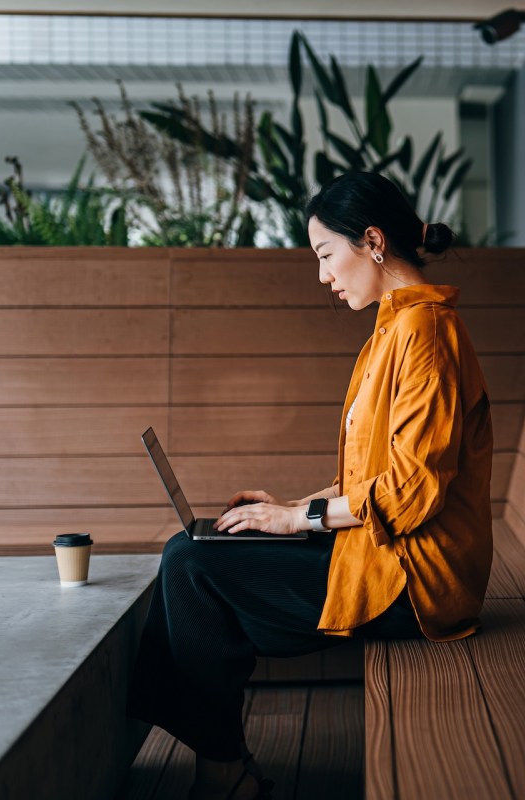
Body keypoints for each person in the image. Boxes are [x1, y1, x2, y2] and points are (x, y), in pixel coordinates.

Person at [126, 171, 494, 800]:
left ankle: (222, 770)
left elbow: (410, 494)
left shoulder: (424, 333)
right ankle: (223, 761)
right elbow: (370, 476)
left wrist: (297, 524)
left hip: (417, 581)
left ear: (373, 241)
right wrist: (293, 507)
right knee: (201, 556)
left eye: (327, 254)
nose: (324, 275)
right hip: (386, 550)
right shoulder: (394, 329)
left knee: (190, 567)